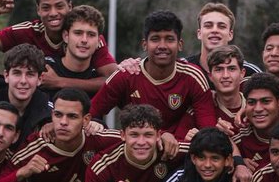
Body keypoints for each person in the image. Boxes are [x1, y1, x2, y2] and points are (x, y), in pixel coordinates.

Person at [0, 0, 117, 90]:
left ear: (70, 6)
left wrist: (59, 82)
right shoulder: (27, 31)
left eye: (59, 6)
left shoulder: (88, 37)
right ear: (38, 10)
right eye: (46, 8)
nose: (53, 13)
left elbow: (113, 79)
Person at [89, 10, 216, 145]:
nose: (162, 46)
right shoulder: (126, 75)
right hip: (137, 150)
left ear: (180, 44)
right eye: (155, 39)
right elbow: (91, 114)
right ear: (145, 44)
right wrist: (96, 123)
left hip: (178, 155)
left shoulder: (193, 77)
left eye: (169, 39)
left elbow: (209, 132)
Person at [184, 2, 262, 78]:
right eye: (208, 26)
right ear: (199, 33)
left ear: (230, 35)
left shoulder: (250, 72)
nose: (214, 30)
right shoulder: (183, 69)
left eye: (221, 26)